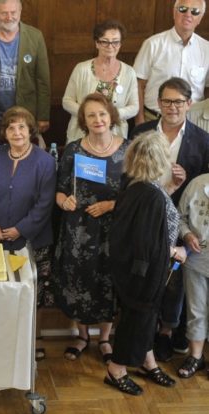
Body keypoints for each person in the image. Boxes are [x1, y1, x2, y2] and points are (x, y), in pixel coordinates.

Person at [131, 77, 209, 360]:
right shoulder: (141, 132)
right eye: (166, 101)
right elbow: (129, 173)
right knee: (146, 275)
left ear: (189, 104)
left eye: (178, 102)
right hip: (145, 217)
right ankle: (145, 333)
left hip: (181, 220)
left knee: (174, 282)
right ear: (158, 103)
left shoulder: (202, 140)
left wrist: (184, 183)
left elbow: (203, 186)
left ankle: (167, 331)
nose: (172, 107)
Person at [106, 130, 184, 395]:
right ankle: (116, 370)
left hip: (135, 268)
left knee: (145, 318)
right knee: (136, 318)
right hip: (143, 272)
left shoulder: (134, 183)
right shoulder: (148, 194)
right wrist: (173, 251)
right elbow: (147, 242)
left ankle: (147, 362)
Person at [54, 93, 128, 364]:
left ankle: (105, 338)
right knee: (78, 280)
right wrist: (65, 202)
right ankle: (83, 335)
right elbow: (60, 191)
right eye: (91, 115)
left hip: (113, 228)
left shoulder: (127, 149)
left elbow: (136, 194)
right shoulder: (74, 150)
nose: (98, 119)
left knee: (109, 281)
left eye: (102, 114)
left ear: (111, 117)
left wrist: (110, 205)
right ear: (84, 121)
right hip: (79, 229)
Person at [0, 106, 56, 358]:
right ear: (4, 132)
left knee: (34, 291)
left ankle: (34, 339)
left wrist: (20, 229)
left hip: (33, 240)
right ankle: (3, 339)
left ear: (30, 130)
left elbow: (45, 204)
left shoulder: (45, 161)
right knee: (0, 291)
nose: (17, 132)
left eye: (22, 126)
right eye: (11, 127)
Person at [0, 0, 50, 136]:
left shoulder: (35, 36)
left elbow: (42, 80)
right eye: (4, 13)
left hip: (26, 114)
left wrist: (43, 115)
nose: (9, 17)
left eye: (13, 12)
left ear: (20, 12)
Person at [133, 0, 209, 125]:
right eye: (183, 9)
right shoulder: (153, 44)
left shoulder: (207, 49)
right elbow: (138, 85)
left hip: (193, 122)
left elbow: (206, 90)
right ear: (174, 13)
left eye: (195, 11)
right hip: (153, 119)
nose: (188, 14)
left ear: (200, 18)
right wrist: (139, 120)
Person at [62, 20, 138, 143]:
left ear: (120, 44)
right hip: (81, 135)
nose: (110, 46)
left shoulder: (129, 72)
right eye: (105, 42)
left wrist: (110, 115)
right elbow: (67, 101)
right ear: (97, 43)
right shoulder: (81, 69)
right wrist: (89, 115)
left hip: (115, 137)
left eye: (115, 42)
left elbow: (134, 107)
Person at [177, 173, 209, 378]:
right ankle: (196, 356)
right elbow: (179, 218)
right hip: (197, 259)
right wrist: (187, 234)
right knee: (195, 308)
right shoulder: (197, 183)